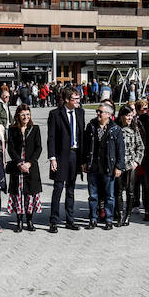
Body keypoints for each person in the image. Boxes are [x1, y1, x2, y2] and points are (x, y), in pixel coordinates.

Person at [47, 87, 85, 232]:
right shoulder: (55, 114)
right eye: (75, 99)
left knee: (71, 189)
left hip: (75, 155)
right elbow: (51, 137)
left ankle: (70, 220)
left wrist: (83, 160)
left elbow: (82, 135)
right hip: (61, 156)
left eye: (78, 98)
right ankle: (54, 221)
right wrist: (52, 158)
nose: (78, 101)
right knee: (58, 188)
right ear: (68, 100)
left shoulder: (80, 112)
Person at [82, 103, 124, 230]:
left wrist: (119, 166)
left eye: (101, 112)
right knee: (93, 195)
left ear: (109, 115)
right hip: (93, 166)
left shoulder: (115, 129)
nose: (98, 114)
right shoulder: (91, 126)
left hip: (108, 167)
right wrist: (84, 162)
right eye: (97, 111)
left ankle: (109, 220)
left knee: (109, 196)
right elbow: (85, 145)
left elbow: (120, 150)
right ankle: (93, 219)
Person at [6, 105, 42, 232]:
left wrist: (29, 163)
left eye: (28, 114)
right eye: (23, 114)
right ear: (18, 116)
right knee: (19, 194)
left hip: (31, 167)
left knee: (30, 194)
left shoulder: (35, 129)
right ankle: (19, 221)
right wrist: (19, 163)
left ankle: (30, 220)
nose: (26, 117)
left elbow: (39, 148)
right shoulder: (12, 129)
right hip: (18, 167)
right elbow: (10, 147)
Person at [114, 105, 144, 227]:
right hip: (119, 164)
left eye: (131, 116)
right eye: (127, 115)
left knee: (130, 191)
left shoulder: (134, 129)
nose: (129, 118)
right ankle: (120, 214)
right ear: (122, 115)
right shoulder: (116, 128)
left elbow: (140, 147)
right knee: (118, 190)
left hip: (131, 164)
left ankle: (128, 215)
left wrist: (136, 162)